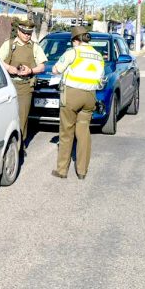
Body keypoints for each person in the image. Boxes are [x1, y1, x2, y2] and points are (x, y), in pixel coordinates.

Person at [51, 26, 104, 180]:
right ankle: (82, 171)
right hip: (90, 97)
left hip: (72, 95)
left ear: (76, 40)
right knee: (83, 132)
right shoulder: (98, 56)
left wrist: (56, 68)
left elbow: (56, 70)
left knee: (66, 132)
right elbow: (100, 78)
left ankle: (62, 170)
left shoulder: (73, 52)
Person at [0, 19, 47, 148]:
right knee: (5, 117)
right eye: (24, 32)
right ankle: (4, 145)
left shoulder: (35, 47)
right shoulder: (9, 44)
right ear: (19, 31)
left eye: (29, 33)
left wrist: (30, 70)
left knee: (22, 117)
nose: (27, 35)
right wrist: (9, 68)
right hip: (8, 85)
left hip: (25, 86)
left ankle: (20, 145)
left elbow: (42, 67)